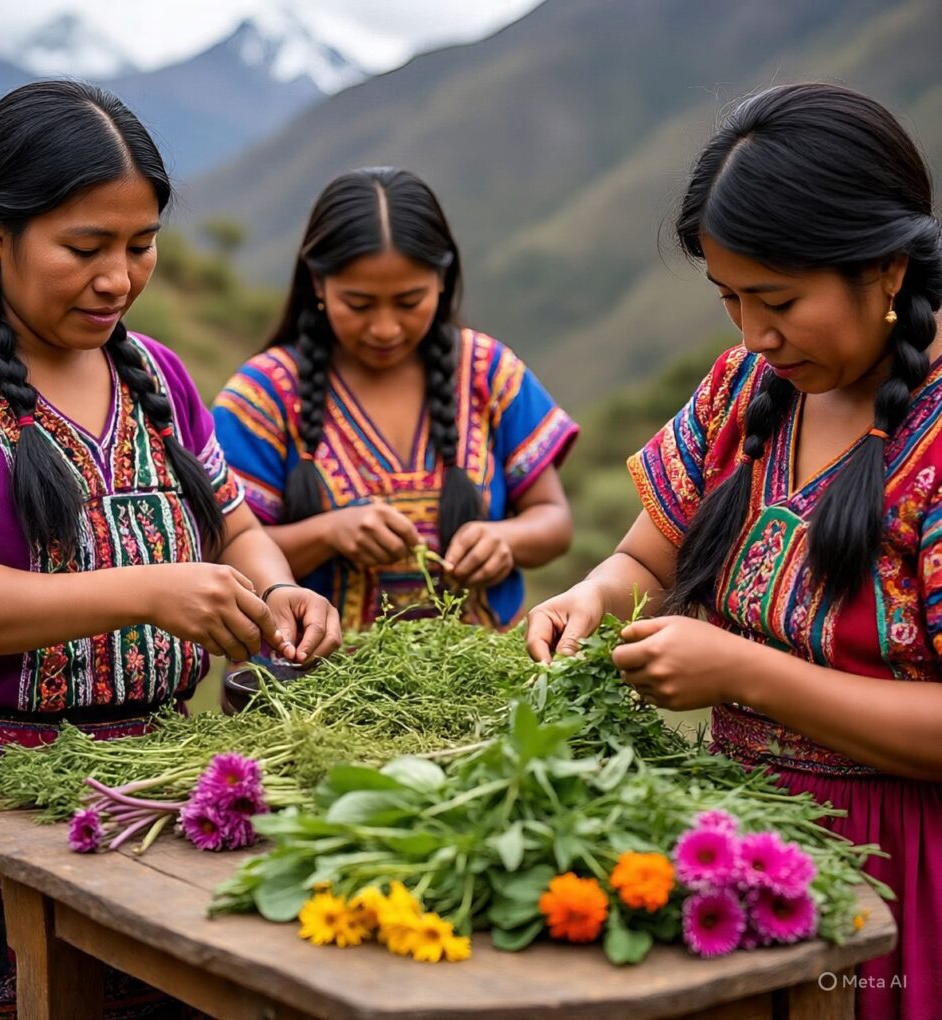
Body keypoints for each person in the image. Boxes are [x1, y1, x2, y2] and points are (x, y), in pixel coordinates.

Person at [0, 80, 340, 1019]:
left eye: (140, 246)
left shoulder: (155, 372)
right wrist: (143, 592)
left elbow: (236, 528)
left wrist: (279, 594)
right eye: (85, 248)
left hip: (154, 807)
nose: (118, 278)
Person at [526, 82, 942, 1019]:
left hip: (901, 881)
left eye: (780, 300)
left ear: (885, 268)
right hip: (740, 852)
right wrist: (592, 598)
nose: (756, 334)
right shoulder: (746, 391)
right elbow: (644, 562)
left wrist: (743, 674)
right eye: (731, 301)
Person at [213, 167, 578, 636]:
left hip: (480, 687)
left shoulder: (488, 372)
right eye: (359, 304)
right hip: (314, 693)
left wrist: (505, 539)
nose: (385, 328)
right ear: (318, 284)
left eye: (409, 302)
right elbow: (223, 546)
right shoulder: (263, 396)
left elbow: (554, 522)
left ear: (443, 280)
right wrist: (328, 533)